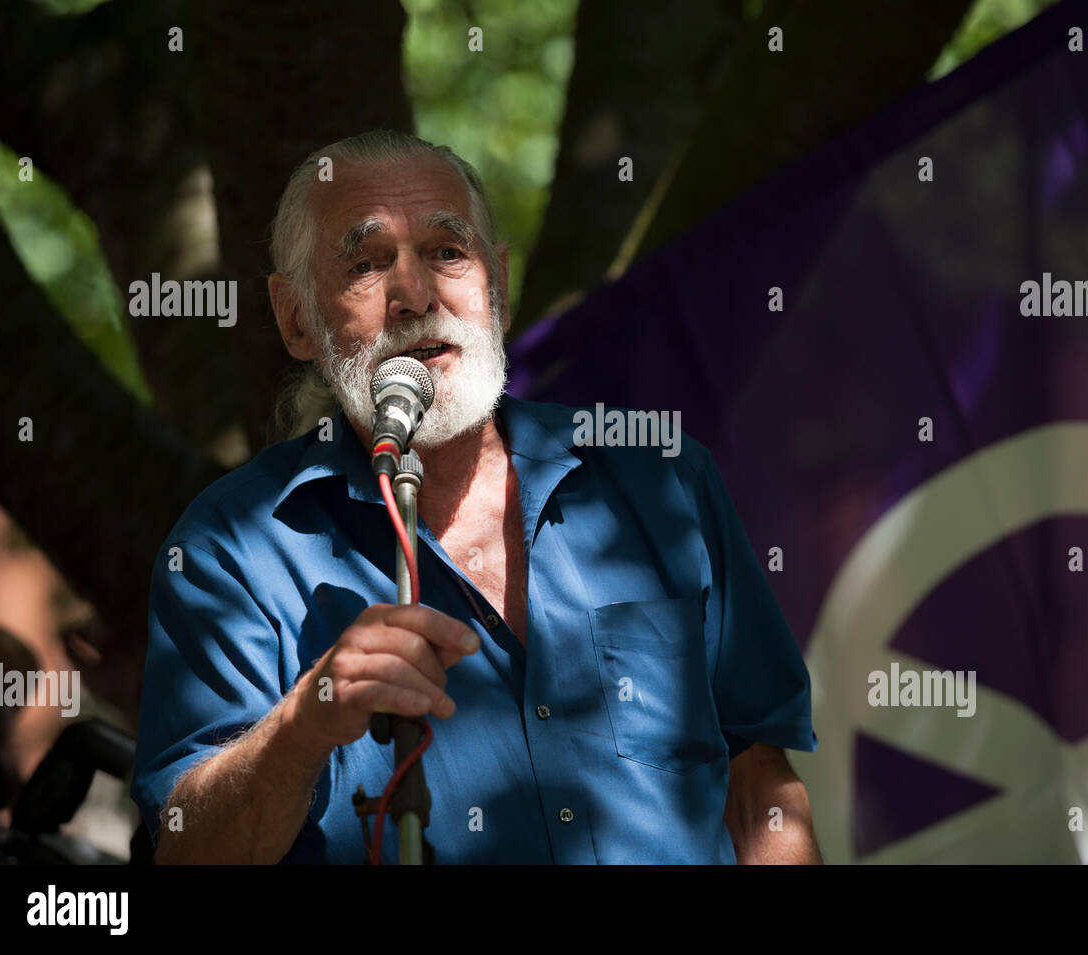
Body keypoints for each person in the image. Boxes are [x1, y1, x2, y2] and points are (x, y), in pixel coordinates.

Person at [130, 130, 820, 864]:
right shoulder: (232, 548)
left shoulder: (661, 479)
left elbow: (760, 787)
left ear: (500, 281)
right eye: (364, 265)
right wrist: (302, 727)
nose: (415, 295)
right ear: (296, 317)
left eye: (447, 252)